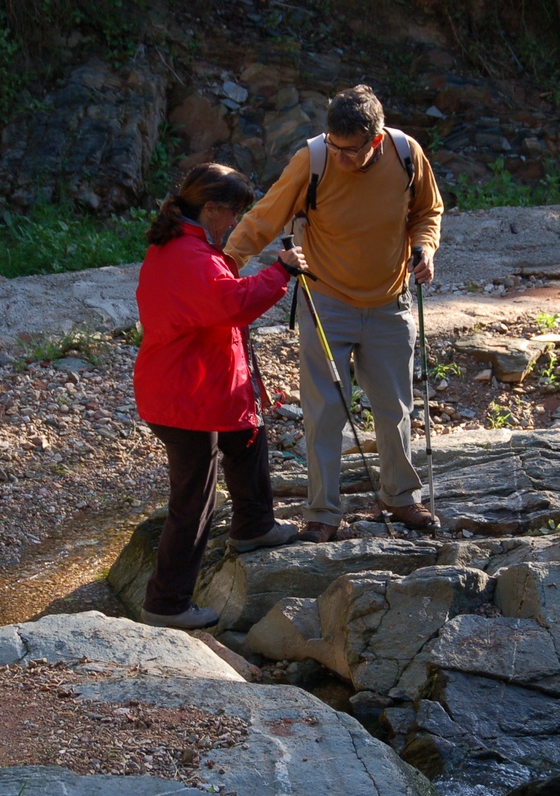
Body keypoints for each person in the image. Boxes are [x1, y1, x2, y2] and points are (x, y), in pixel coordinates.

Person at [224, 84, 445, 543]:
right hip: (325, 302)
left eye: (352, 151)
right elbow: (264, 218)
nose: (341, 158)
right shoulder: (314, 159)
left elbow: (427, 211)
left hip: (390, 303)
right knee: (324, 413)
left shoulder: (407, 154)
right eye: (335, 147)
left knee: (395, 408)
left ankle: (401, 497)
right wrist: (224, 267)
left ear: (376, 140)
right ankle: (322, 512)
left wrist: (425, 248)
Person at [134, 162, 308, 630]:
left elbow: (221, 301)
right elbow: (234, 303)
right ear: (210, 208)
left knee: (247, 437)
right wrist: (281, 271)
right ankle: (166, 604)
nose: (235, 222)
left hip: (192, 386)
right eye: (233, 212)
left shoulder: (179, 246)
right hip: (184, 396)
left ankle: (254, 526)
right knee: (193, 500)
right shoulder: (191, 256)